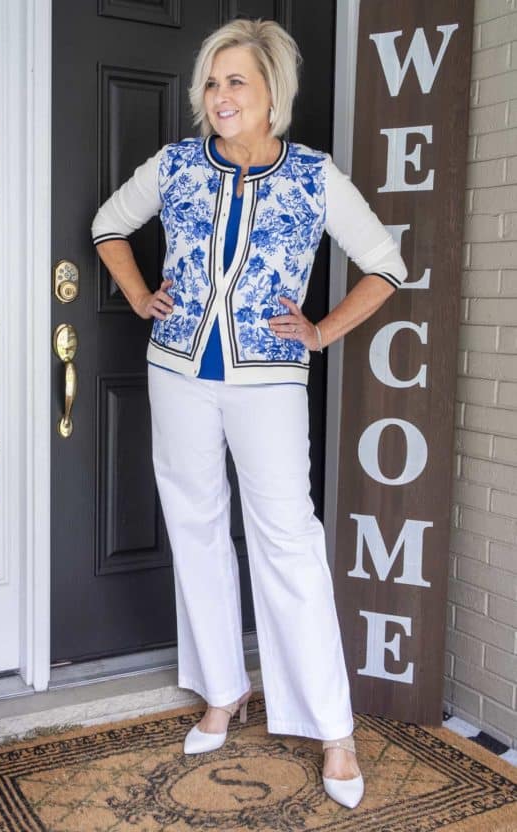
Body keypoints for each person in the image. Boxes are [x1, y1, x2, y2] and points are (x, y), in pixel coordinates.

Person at [92, 18, 407, 811]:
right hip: (177, 374)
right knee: (195, 524)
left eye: (237, 82)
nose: (220, 96)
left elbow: (386, 264)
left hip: (269, 381)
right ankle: (222, 692)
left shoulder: (311, 175)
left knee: (287, 539)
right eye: (212, 82)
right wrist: (139, 295)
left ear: (272, 95)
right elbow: (108, 226)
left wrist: (322, 331)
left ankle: (333, 728)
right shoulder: (174, 167)